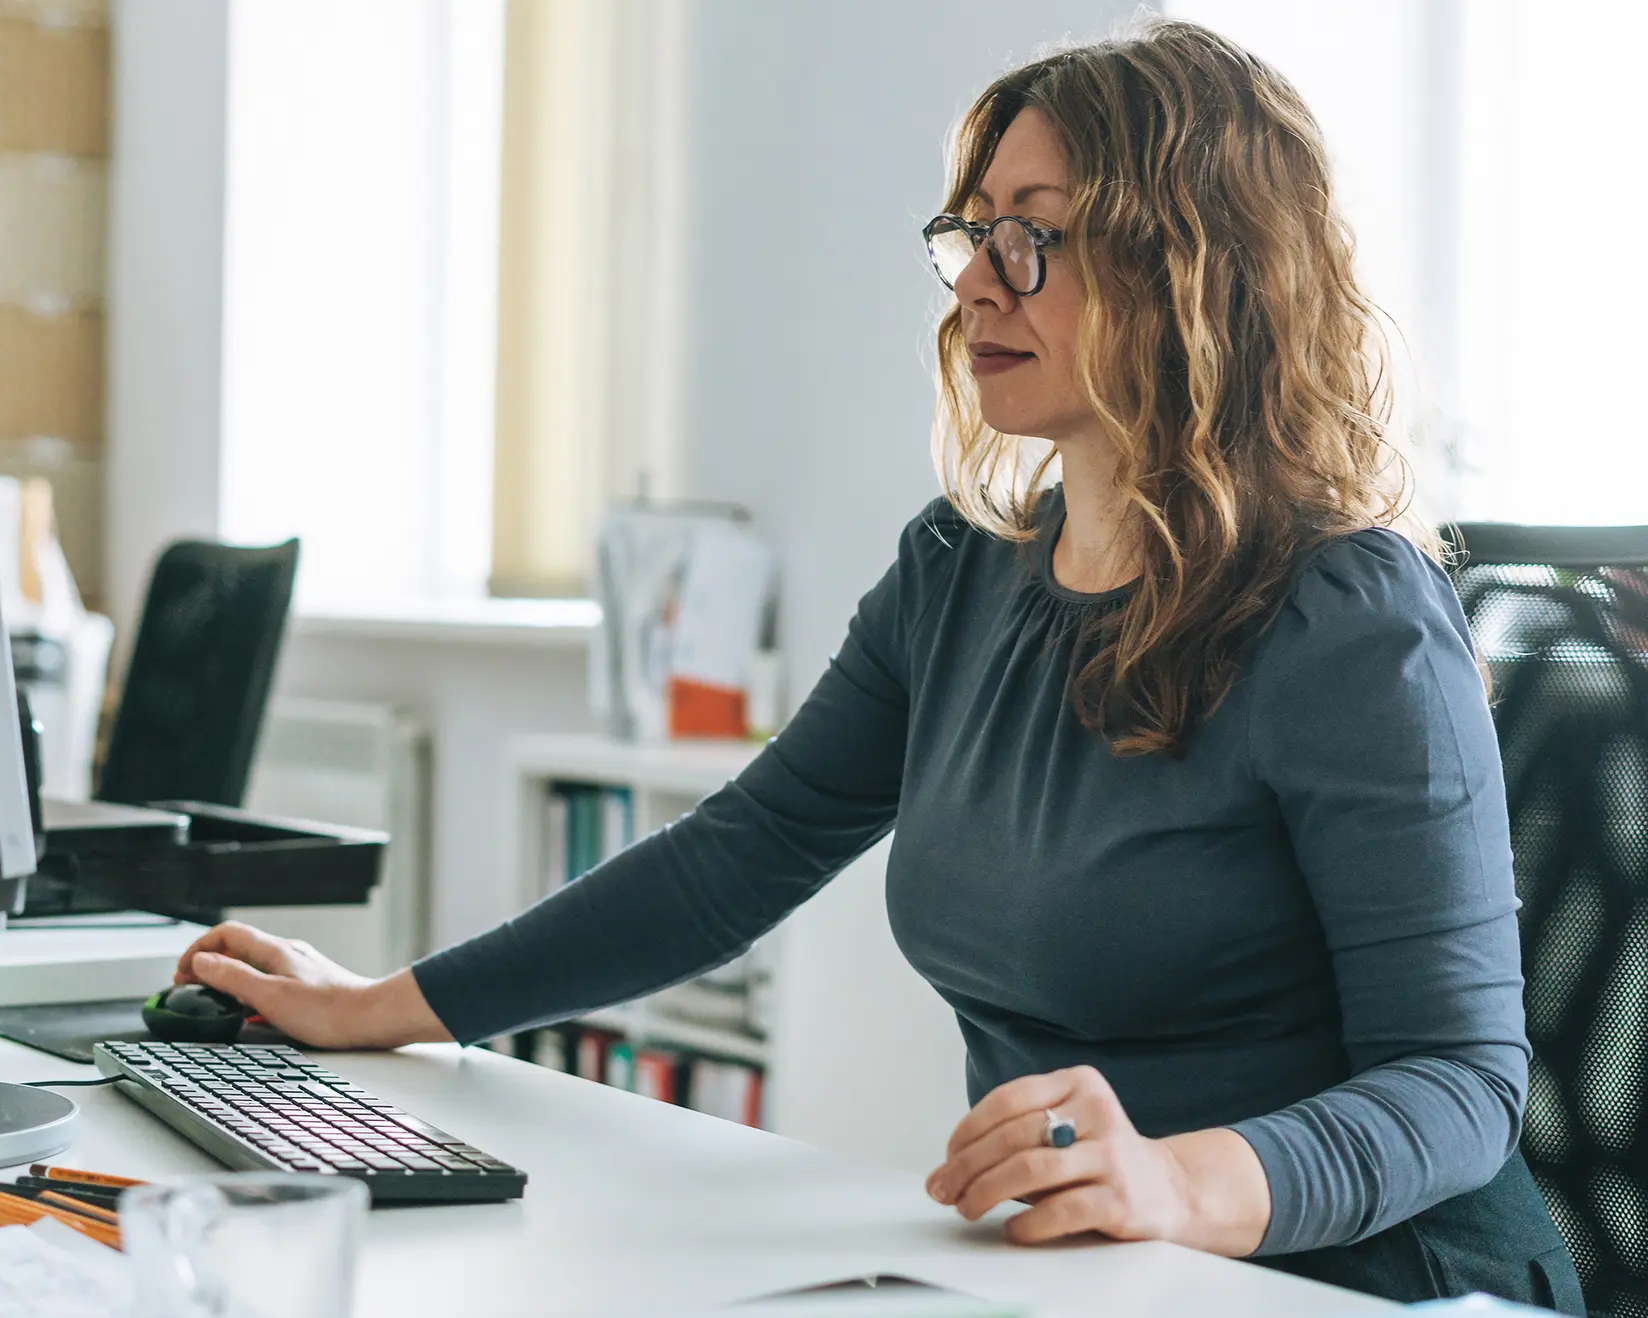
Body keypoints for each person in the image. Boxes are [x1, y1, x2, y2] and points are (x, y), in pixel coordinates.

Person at [172, 19, 1583, 1310]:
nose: (974, 280)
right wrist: (378, 1007)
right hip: (1093, 1273)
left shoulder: (1347, 611)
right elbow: (744, 850)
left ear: (1190, 268)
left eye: (1034, 238)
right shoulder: (961, 569)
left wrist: (1179, 1177)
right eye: (971, 234)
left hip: (1367, 1280)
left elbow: (1459, 1085)